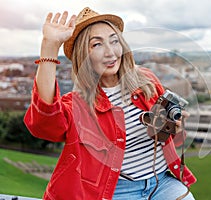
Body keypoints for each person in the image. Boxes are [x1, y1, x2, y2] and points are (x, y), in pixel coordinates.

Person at [24, 7, 196, 200]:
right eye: (97, 45)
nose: (110, 52)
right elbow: (43, 123)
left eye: (114, 41)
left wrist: (175, 128)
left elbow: (173, 139)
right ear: (84, 55)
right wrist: (49, 46)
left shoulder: (147, 81)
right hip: (113, 190)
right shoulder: (78, 105)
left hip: (161, 182)